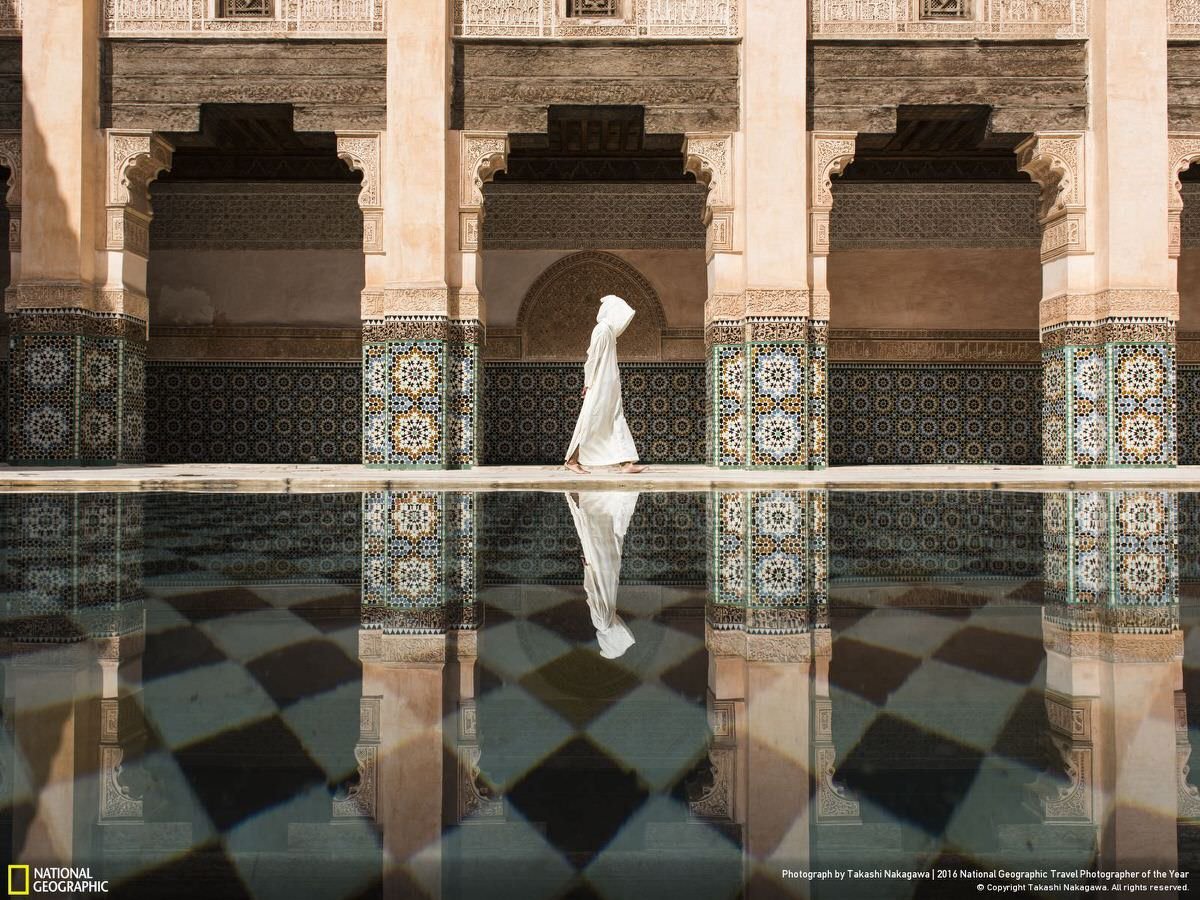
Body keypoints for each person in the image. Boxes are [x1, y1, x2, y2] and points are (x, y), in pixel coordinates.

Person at [563, 294, 648, 475]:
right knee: (590, 420)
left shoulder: (608, 332)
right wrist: (588, 383)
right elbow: (593, 358)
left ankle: (626, 463)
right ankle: (572, 460)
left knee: (616, 418)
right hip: (599, 384)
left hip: (610, 385)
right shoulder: (601, 330)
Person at [565, 491, 638, 660]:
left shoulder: (603, 623)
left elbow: (592, 592)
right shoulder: (606, 621)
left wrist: (588, 570)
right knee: (602, 538)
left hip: (601, 570)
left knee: (600, 538)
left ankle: (598, 500)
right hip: (603, 572)